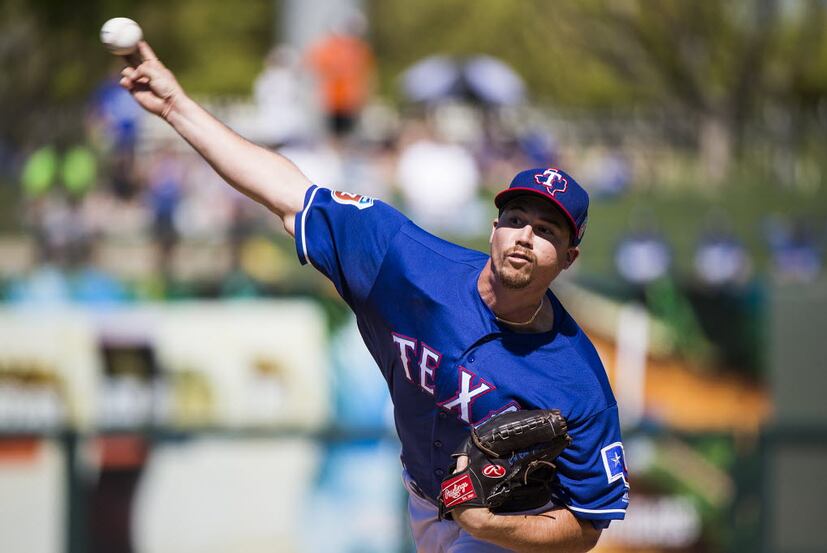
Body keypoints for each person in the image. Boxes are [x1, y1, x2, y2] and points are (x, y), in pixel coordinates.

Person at [119, 41, 628, 553]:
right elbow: (285, 190)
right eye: (515, 219)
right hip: (424, 502)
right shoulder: (405, 261)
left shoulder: (577, 379)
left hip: (508, 528)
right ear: (493, 227)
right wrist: (174, 107)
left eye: (545, 231)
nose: (523, 237)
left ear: (569, 257)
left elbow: (587, 525)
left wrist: (487, 526)